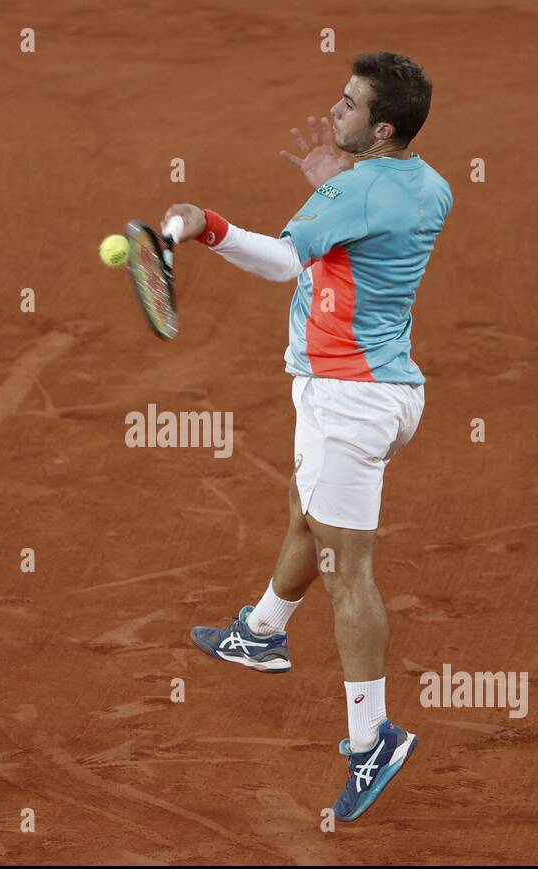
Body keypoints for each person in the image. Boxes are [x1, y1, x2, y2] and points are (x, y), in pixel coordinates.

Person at [166, 51, 453, 822]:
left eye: (350, 104)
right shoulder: (430, 185)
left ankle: (372, 739)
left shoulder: (352, 193)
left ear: (383, 128)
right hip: (389, 388)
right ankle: (262, 631)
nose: (335, 110)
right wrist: (339, 183)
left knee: (348, 574)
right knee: (307, 509)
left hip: (346, 401)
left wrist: (206, 226)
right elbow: (366, 223)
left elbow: (282, 262)